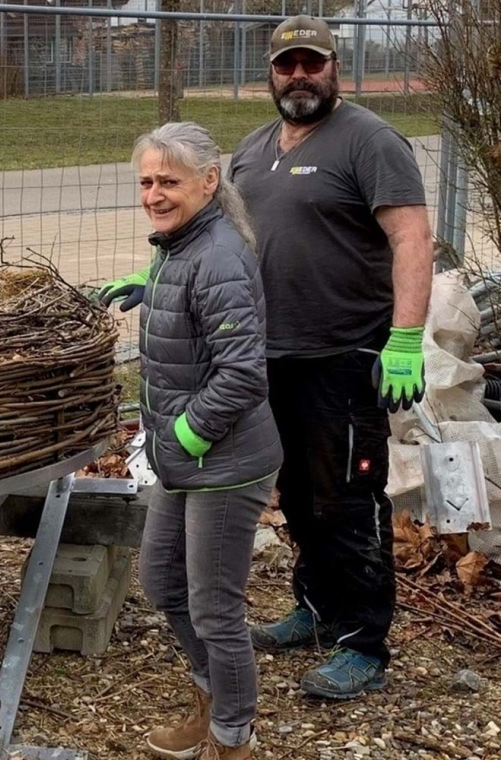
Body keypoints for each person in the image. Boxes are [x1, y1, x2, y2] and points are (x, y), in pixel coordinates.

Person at [228, 15, 432, 700]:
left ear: (334, 68)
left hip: (345, 356)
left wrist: (404, 340)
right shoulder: (254, 150)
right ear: (271, 72)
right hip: (270, 356)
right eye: (287, 65)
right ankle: (316, 611)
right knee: (297, 498)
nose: (299, 76)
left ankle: (364, 643)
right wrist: (162, 274)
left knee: (349, 500)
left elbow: (411, 238)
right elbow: (224, 237)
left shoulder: (369, 141)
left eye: (312, 63)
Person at [96, 122, 281, 760]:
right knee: (162, 580)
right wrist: (155, 290)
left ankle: (233, 739)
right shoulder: (181, 248)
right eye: (146, 181)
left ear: (208, 181)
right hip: (188, 457)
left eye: (168, 181)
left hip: (224, 461)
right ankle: (210, 701)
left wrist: (180, 434)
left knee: (215, 610)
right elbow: (206, 317)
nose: (154, 193)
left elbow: (243, 374)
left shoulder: (217, 252)